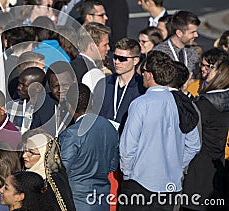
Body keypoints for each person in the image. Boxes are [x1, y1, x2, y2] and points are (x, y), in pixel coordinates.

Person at [119, 51, 200, 210]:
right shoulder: (180, 104)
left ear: (149, 75)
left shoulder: (141, 104)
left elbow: (127, 148)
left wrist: (128, 175)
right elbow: (194, 145)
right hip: (169, 187)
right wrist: (175, 165)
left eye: (143, 72)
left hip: (139, 184)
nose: (141, 76)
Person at [59, 83, 119, 211]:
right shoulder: (109, 127)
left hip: (77, 201)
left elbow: (62, 172)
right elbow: (113, 165)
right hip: (101, 199)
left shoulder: (71, 134)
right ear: (92, 101)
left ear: (69, 106)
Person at [182, 59, 229, 211]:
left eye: (212, 68)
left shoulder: (204, 104)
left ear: (221, 76)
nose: (207, 71)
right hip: (219, 165)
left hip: (197, 167)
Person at [93, 38, 145, 132]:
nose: (117, 62)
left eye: (122, 59)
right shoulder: (103, 83)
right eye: (115, 57)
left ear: (135, 61)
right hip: (103, 138)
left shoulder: (142, 87)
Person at [21, 129, 76, 211]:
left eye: (31, 152)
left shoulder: (52, 183)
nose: (24, 156)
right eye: (24, 151)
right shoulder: (23, 176)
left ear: (44, 153)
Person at [7, 67, 55, 133]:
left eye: (24, 85)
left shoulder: (50, 109)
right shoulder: (11, 107)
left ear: (38, 88)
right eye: (19, 83)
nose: (18, 87)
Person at [153, 10, 200, 76]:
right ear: (179, 33)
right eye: (192, 32)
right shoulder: (160, 53)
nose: (196, 35)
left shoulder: (192, 53)